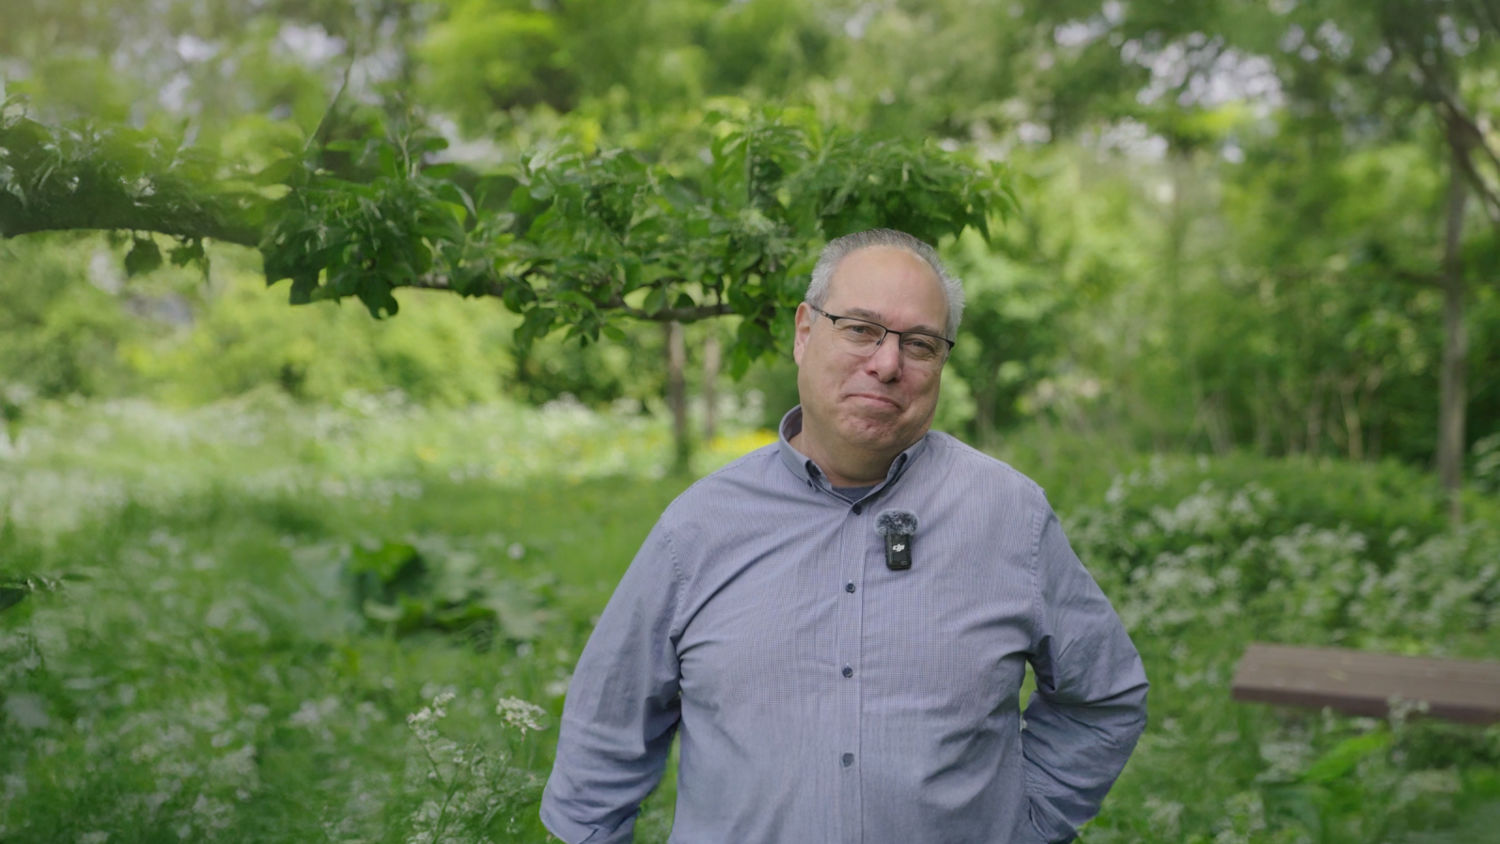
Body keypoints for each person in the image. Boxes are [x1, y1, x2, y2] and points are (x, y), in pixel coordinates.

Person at [540, 228, 1148, 843]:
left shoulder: (1009, 516)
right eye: (860, 328)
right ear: (805, 332)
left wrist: (1025, 824)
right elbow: (603, 739)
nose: (887, 364)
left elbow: (1104, 698)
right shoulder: (698, 527)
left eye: (921, 344)